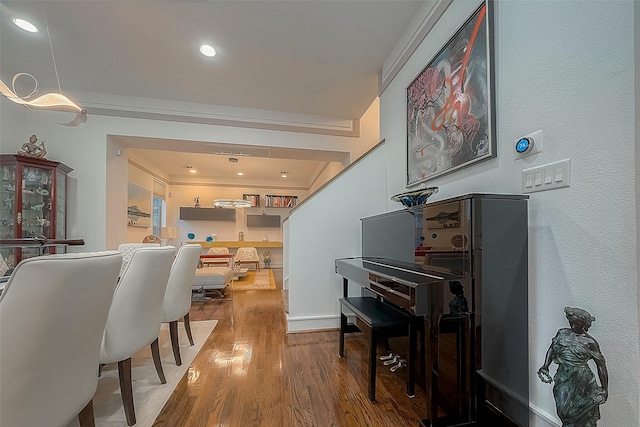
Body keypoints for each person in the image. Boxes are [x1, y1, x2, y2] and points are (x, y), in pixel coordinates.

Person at [537, 307, 608, 427]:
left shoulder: (590, 342)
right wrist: (546, 365)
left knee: (579, 414)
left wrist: (605, 389)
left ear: (585, 324)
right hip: (563, 376)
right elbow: (552, 348)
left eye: (577, 323)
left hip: (582, 379)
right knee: (563, 411)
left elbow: (601, 366)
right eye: (571, 322)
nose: (573, 325)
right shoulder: (562, 333)